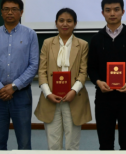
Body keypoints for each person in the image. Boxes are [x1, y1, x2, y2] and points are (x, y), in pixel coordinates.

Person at [88, 0, 126, 150]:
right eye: (108, 10)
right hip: (103, 98)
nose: (112, 13)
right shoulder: (96, 39)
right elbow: (91, 68)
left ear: (123, 12)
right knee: (105, 144)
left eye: (116, 9)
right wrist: (98, 82)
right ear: (103, 13)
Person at [0, 0, 39, 150]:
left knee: (24, 143)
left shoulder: (30, 34)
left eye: (14, 9)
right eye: (6, 9)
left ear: (21, 12)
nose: (10, 12)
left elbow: (34, 65)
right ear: (1, 12)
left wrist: (14, 86)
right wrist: (0, 88)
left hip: (21, 94)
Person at [35, 8, 92, 150]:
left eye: (69, 21)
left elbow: (83, 72)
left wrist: (73, 91)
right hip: (51, 98)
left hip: (74, 98)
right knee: (53, 145)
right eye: (61, 20)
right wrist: (48, 93)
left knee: (72, 144)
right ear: (56, 23)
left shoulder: (83, 45)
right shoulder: (47, 43)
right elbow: (42, 71)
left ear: (75, 23)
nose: (65, 24)